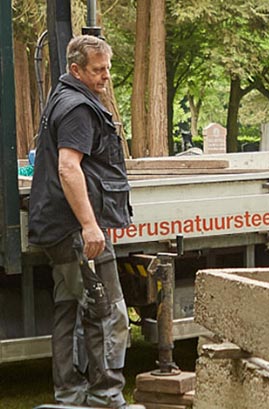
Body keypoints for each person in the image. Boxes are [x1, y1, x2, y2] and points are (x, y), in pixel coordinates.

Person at [28, 35, 132, 408]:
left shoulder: (63, 96)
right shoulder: (77, 108)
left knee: (69, 311)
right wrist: (90, 226)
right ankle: (106, 398)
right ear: (76, 70)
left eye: (107, 68)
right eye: (97, 70)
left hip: (59, 228)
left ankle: (69, 398)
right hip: (76, 231)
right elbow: (69, 168)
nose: (106, 76)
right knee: (106, 312)